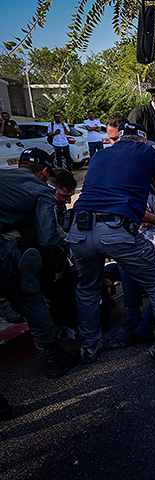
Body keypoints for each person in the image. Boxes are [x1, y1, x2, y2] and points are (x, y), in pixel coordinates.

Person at [65, 122, 155, 369]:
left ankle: (89, 346)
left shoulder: (100, 155)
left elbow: (113, 202)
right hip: (116, 232)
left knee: (88, 288)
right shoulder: (148, 152)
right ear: (143, 140)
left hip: (79, 229)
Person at [0, 147, 80, 379]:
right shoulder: (41, 191)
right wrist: (62, 259)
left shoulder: (6, 178)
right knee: (30, 295)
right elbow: (47, 237)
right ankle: (55, 357)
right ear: (45, 171)